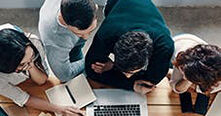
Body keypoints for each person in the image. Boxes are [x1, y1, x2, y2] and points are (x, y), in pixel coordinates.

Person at [85, 0, 174, 95]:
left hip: (142, 11)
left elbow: (151, 81)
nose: (127, 76)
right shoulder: (106, 34)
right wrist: (131, 85)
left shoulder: (165, 45)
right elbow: (90, 70)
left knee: (165, 65)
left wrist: (113, 69)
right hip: (117, 5)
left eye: (131, 72)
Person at [0, 24, 84, 116]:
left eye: (32, 56)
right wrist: (59, 109)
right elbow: (24, 98)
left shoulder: (33, 42)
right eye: (22, 64)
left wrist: (30, 64)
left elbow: (42, 80)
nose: (29, 64)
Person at [38, 0, 98, 82]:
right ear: (64, 21)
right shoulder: (55, 38)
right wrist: (92, 59)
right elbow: (64, 75)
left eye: (91, 30)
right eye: (79, 34)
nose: (87, 37)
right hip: (58, 39)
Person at [169, 34, 221, 115]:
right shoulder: (183, 60)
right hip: (174, 52)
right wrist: (186, 78)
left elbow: (209, 90)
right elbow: (177, 88)